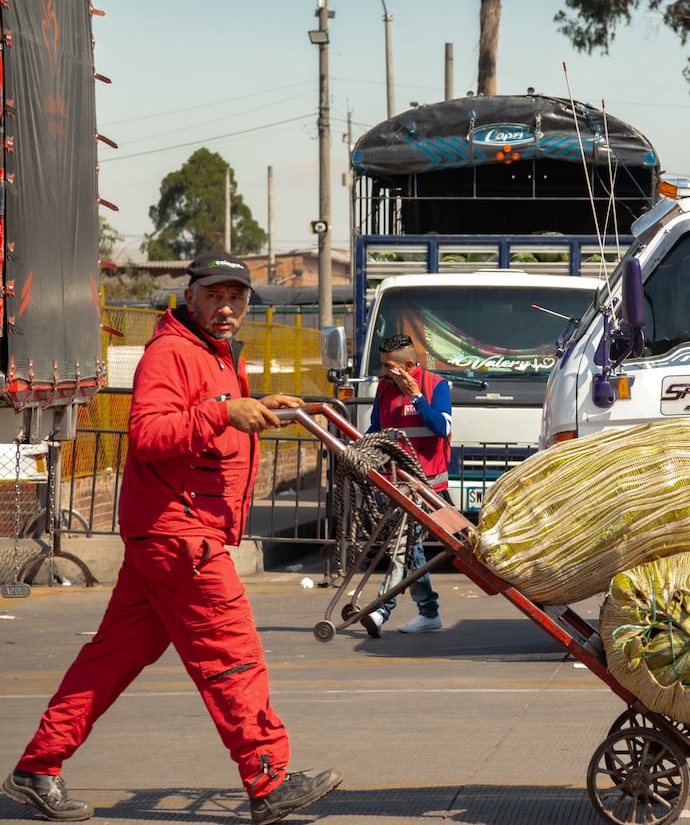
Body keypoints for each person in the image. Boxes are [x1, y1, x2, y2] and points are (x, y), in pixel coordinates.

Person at [2, 251, 342, 824]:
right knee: (232, 654)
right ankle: (267, 779)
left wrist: (255, 407)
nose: (226, 307)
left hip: (167, 532)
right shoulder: (172, 353)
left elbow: (211, 414)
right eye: (215, 296)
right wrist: (224, 413)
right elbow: (150, 433)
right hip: (180, 536)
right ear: (191, 298)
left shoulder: (215, 354)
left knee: (111, 659)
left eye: (236, 297)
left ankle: (38, 767)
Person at [360, 333, 452, 637]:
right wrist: (359, 450)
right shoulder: (384, 388)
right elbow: (376, 428)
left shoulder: (436, 385)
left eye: (389, 366)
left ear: (409, 365)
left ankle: (381, 610)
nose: (383, 372)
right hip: (396, 484)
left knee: (404, 547)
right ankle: (429, 612)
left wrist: (417, 398)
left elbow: (441, 427)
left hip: (426, 487)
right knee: (412, 548)